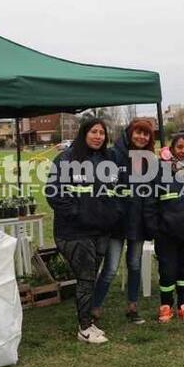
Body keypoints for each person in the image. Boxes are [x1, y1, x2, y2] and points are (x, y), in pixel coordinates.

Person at [45, 118, 122, 344]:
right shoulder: (66, 159)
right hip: (74, 232)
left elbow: (117, 191)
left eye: (101, 132)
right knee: (86, 277)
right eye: (93, 132)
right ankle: (84, 328)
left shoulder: (108, 160)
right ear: (84, 133)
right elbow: (54, 194)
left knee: (90, 277)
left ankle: (88, 320)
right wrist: (80, 214)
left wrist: (112, 214)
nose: (98, 136)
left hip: (102, 231)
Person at [91, 118, 155, 325]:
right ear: (129, 132)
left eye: (146, 134)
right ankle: (94, 307)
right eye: (138, 132)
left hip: (137, 221)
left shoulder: (148, 159)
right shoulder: (112, 155)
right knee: (110, 268)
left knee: (134, 264)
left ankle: (132, 306)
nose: (142, 137)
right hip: (116, 222)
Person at [144, 132, 184, 323]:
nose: (183, 151)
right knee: (168, 270)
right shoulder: (160, 171)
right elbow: (150, 201)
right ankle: (166, 305)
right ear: (172, 149)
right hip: (166, 232)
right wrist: (154, 228)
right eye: (179, 147)